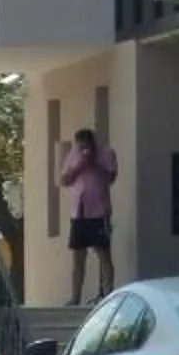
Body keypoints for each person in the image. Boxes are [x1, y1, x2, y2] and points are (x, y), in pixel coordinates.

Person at [60, 127, 118, 305]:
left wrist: (94, 163)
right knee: (78, 257)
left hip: (99, 211)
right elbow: (64, 180)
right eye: (80, 146)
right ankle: (75, 296)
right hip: (79, 212)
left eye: (86, 146)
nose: (83, 149)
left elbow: (111, 177)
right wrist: (80, 165)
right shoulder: (73, 155)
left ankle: (108, 294)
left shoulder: (107, 153)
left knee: (104, 255)